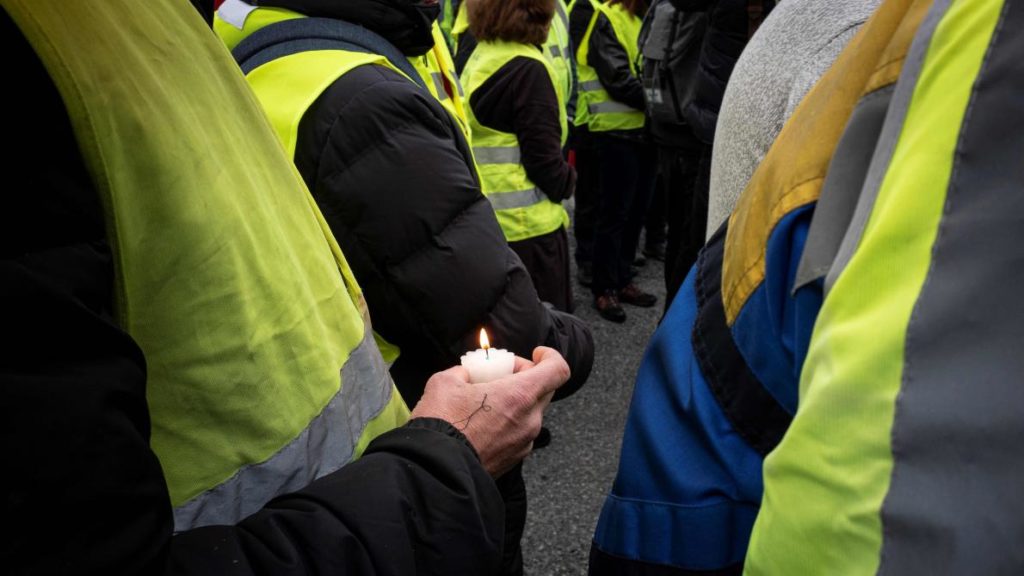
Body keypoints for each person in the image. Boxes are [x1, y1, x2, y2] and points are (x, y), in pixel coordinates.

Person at [2, 0, 571, 573]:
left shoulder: (183, 26)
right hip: (374, 515)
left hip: (370, 509)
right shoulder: (57, 44)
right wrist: (442, 468)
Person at [588, 0, 1023, 572]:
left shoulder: (823, 19)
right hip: (749, 399)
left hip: (730, 368)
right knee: (611, 223)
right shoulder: (859, 31)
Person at [213, 0, 593, 406]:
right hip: (402, 407)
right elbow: (506, 331)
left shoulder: (263, 34)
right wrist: (579, 345)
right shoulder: (362, 99)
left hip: (320, 381)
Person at [460, 0, 577, 313]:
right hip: (531, 231)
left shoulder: (481, 56)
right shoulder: (528, 69)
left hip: (491, 222)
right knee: (548, 336)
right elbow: (545, 163)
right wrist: (569, 182)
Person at [577, 0, 660, 323]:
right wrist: (662, 101)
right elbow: (618, 78)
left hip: (645, 131)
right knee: (613, 215)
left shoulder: (640, 19)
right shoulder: (606, 17)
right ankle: (604, 287)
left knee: (636, 212)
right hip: (614, 134)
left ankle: (623, 279)